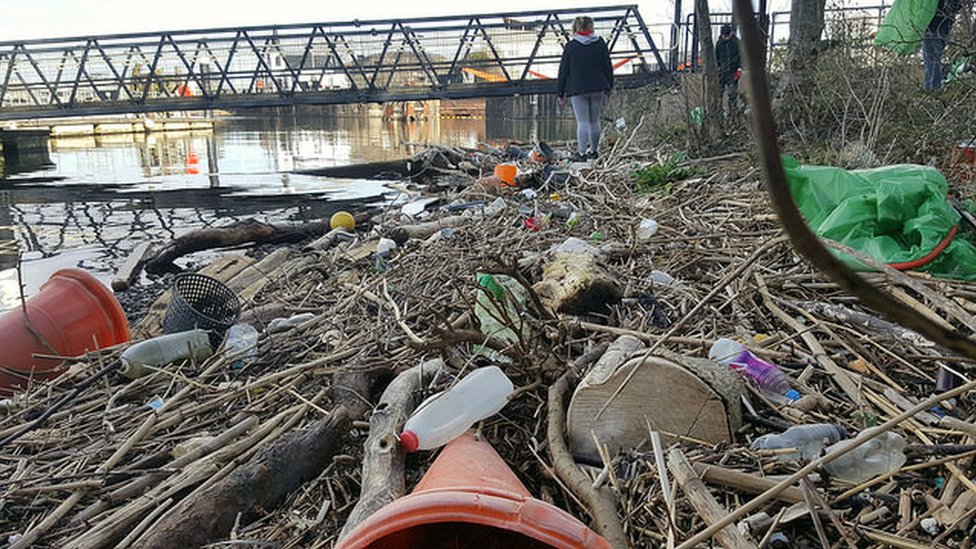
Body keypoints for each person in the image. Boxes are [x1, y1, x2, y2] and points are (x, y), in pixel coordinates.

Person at [557, 16, 613, 161]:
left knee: (583, 122)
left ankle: (582, 154)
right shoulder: (600, 43)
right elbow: (607, 66)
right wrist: (609, 86)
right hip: (598, 87)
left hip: (578, 89)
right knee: (595, 121)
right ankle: (593, 151)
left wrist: (560, 93)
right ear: (591, 27)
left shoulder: (571, 46)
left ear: (575, 27)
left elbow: (563, 71)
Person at [923, 0, 962, 91]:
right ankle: (934, 88)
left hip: (936, 17)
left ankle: (933, 90)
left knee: (932, 54)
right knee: (934, 53)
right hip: (945, 16)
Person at [715, 24, 741, 112]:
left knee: (732, 93)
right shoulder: (719, 43)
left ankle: (733, 112)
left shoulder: (736, 42)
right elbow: (716, 57)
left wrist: (739, 68)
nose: (725, 38)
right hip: (721, 71)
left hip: (733, 71)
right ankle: (719, 112)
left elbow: (741, 56)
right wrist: (718, 67)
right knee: (719, 93)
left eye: (727, 36)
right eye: (724, 36)